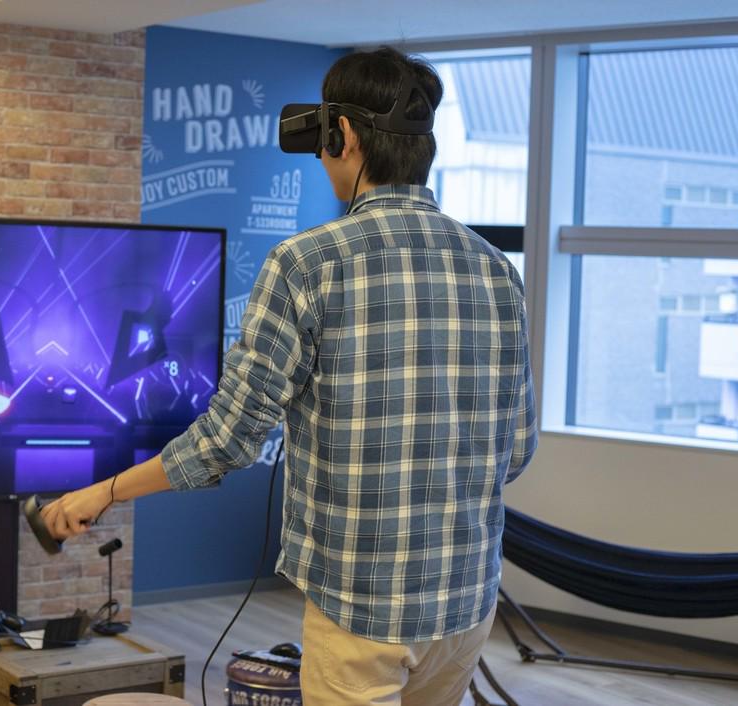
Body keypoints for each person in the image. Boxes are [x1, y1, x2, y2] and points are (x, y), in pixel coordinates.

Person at [42, 47, 537, 706]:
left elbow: (227, 441)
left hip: (361, 605)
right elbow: (517, 449)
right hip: (467, 602)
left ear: (342, 135)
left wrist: (103, 492)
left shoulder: (307, 264)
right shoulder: (496, 269)